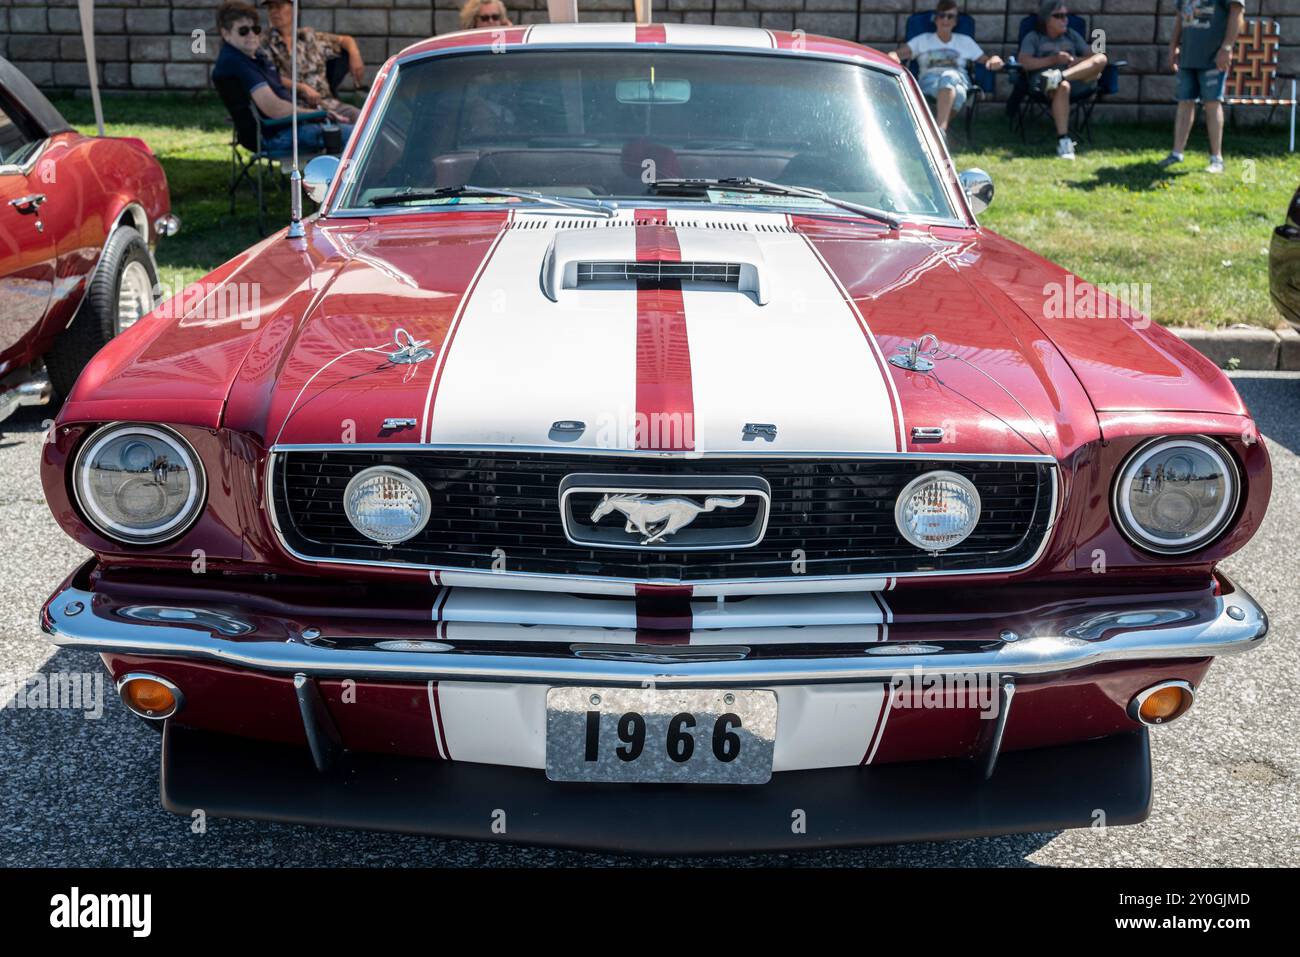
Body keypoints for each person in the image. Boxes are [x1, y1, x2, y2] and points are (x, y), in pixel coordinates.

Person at [211, 1, 354, 154]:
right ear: (225, 34)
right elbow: (274, 108)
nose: (252, 35)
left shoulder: (250, 58)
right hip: (276, 134)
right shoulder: (237, 63)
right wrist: (318, 115)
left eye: (256, 29)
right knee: (358, 137)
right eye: (243, 31)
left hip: (288, 125)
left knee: (364, 127)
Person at [888, 0, 1004, 139]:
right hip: (930, 82)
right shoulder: (923, 40)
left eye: (950, 16)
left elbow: (985, 60)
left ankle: (937, 132)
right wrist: (892, 56)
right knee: (959, 93)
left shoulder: (965, 41)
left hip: (959, 78)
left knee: (951, 76)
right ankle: (940, 132)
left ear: (955, 22)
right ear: (935, 19)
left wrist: (994, 60)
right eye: (942, 15)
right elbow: (897, 54)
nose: (946, 20)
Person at [1159, 1, 1246, 174]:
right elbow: (1180, 16)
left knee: (1212, 103)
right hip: (1187, 57)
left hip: (1213, 58)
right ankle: (1176, 153)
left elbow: (1237, 14)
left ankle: (1216, 159)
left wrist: (1227, 48)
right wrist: (1173, 46)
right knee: (1184, 102)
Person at [1017, 1, 1109, 160]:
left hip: (1074, 78)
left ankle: (1061, 76)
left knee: (1101, 58)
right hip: (1044, 82)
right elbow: (1024, 62)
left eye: (1066, 16)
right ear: (1046, 19)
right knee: (1062, 86)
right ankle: (1063, 141)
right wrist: (1054, 59)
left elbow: (1091, 57)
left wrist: (1075, 61)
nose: (1064, 20)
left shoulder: (1072, 35)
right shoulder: (1034, 37)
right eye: (1058, 16)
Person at [261, 0, 364, 123]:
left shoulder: (309, 37)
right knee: (341, 132)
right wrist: (302, 87)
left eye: (279, 6)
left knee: (365, 120)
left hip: (327, 103)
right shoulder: (263, 42)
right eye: (270, 7)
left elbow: (346, 40)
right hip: (294, 108)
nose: (274, 11)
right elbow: (267, 75)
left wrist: (355, 56)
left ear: (295, 10)